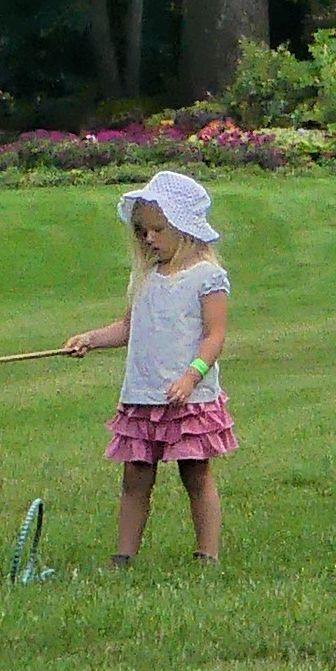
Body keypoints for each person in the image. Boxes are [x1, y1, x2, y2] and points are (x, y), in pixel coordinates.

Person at [65, 168, 236, 565]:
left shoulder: (207, 277)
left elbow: (215, 336)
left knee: (196, 474)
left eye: (158, 230)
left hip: (186, 398)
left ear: (184, 228)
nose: (148, 238)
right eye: (142, 231)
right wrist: (90, 338)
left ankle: (207, 552)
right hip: (142, 395)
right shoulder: (144, 278)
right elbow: (128, 327)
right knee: (135, 478)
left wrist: (191, 376)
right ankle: (124, 554)